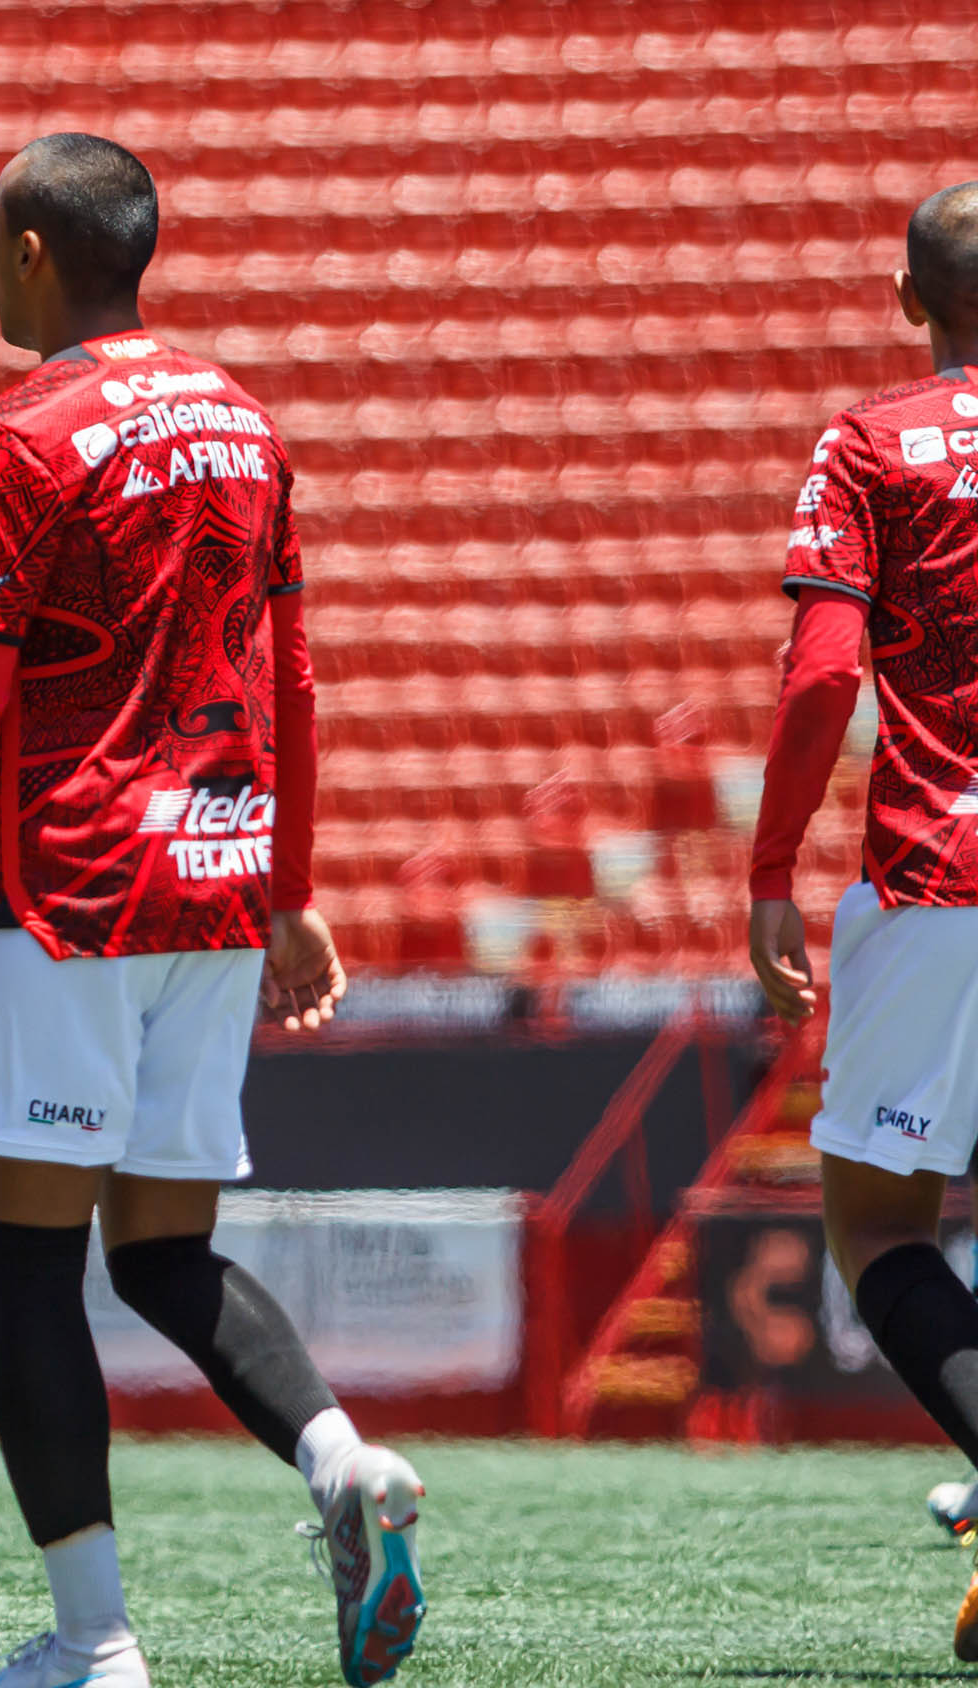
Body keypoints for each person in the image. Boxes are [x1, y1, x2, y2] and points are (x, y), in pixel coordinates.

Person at [0, 137, 423, 1688]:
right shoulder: (243, 420)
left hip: (71, 894)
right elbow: (289, 674)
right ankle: (339, 1457)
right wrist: (292, 884)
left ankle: (94, 1644)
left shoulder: (11, 439)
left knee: (31, 1269)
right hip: (219, 882)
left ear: (34, 252)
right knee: (164, 1252)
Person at [746, 178, 978, 1659]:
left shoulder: (873, 442)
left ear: (910, 300)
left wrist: (769, 867)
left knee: (879, 1220)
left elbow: (826, 677)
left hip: (945, 869)